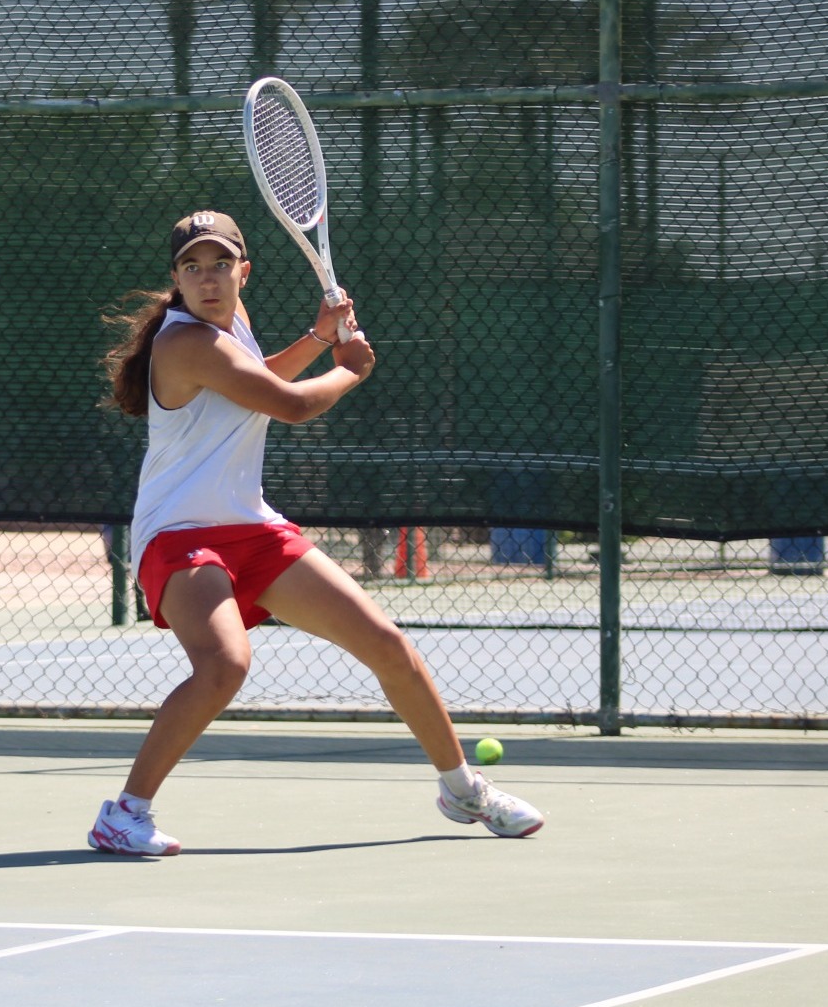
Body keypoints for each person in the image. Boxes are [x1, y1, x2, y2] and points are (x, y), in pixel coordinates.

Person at [87, 210, 544, 857]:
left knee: (387, 644)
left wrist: (316, 336)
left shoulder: (232, 324)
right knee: (224, 664)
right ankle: (124, 813)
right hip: (179, 533)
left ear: (244, 272)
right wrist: (349, 366)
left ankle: (462, 788)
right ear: (177, 280)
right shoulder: (185, 342)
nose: (208, 278)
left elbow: (257, 377)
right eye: (193, 267)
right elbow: (293, 404)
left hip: (251, 525)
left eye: (220, 264)